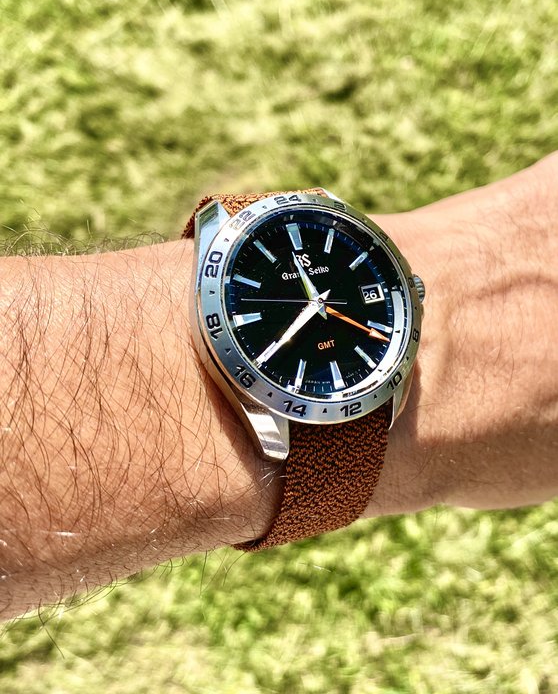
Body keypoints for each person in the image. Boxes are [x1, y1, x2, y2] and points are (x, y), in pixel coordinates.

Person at [0, 154, 556, 620]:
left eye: (325, 300)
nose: (319, 305)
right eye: (314, 301)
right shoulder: (273, 424)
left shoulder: (379, 323)